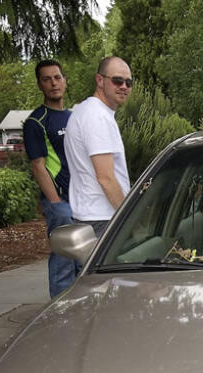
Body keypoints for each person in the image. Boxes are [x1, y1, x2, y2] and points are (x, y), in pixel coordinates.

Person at [23, 59, 78, 297]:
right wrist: (56, 204)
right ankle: (61, 312)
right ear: (40, 85)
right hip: (61, 202)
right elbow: (38, 166)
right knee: (64, 259)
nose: (53, 83)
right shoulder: (36, 122)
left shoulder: (74, 117)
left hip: (82, 200)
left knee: (85, 258)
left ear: (65, 80)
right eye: (47, 79)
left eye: (57, 77)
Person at [63, 56, 133, 239]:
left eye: (128, 82)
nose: (124, 86)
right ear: (99, 80)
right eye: (117, 80)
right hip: (102, 218)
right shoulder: (97, 117)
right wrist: (128, 216)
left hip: (92, 216)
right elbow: (106, 178)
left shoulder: (84, 111)